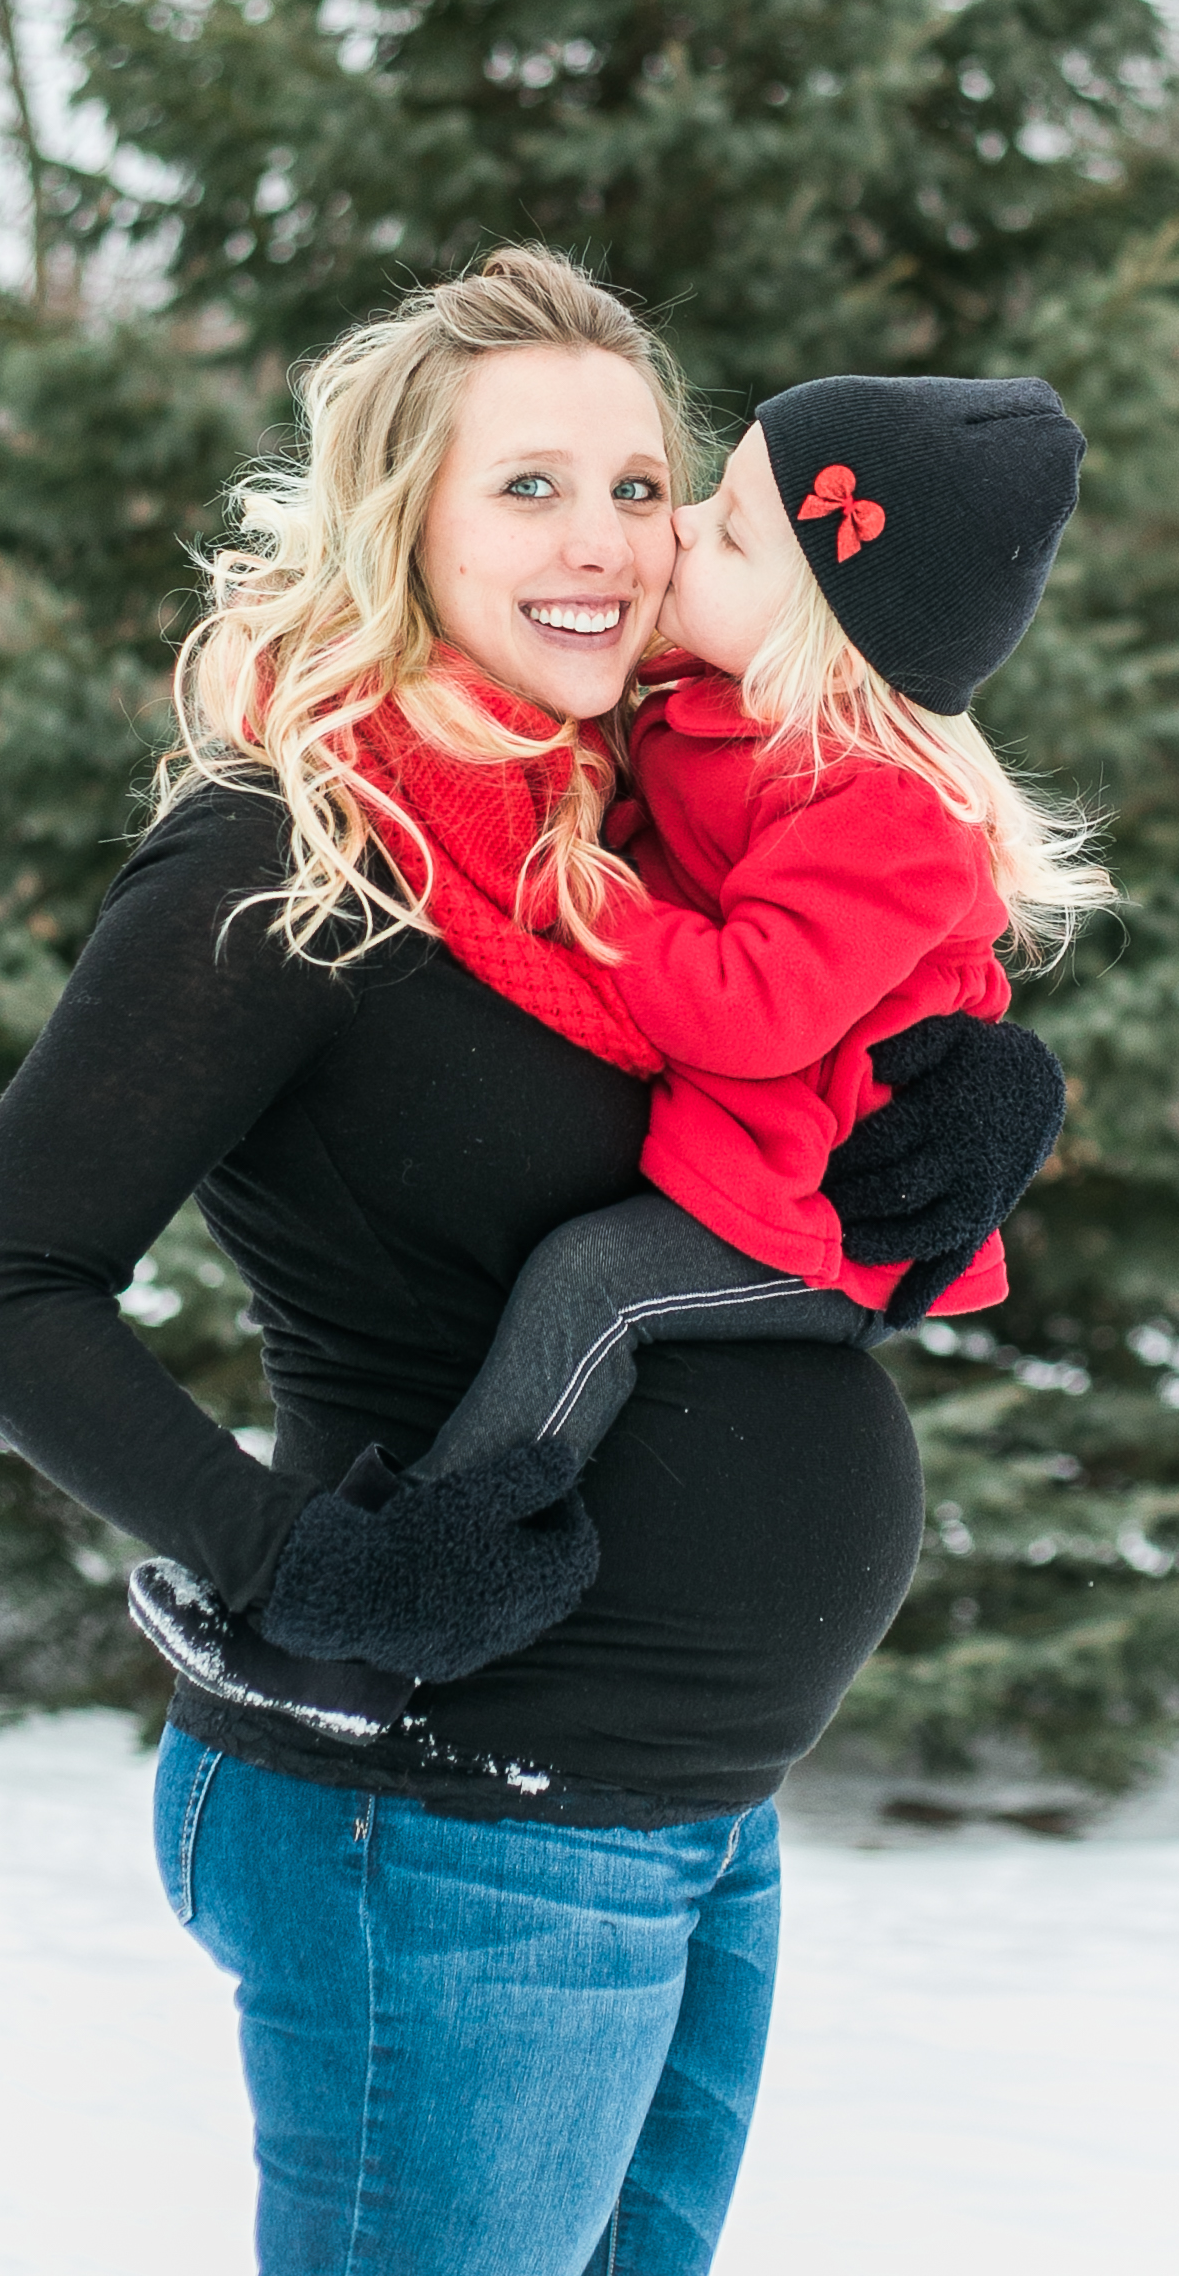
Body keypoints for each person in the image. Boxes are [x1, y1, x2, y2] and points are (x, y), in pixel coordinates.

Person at [0, 249, 1072, 2276]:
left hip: (683, 1817)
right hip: (435, 1815)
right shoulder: (291, 857)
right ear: (401, 523)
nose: (605, 542)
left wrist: (979, 1090)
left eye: (642, 482)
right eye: (524, 484)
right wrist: (291, 1564)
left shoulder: (631, 813)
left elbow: (798, 1064)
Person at [132, 369, 1101, 1722]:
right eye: (694, 492)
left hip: (824, 1211)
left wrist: (590, 900)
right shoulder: (692, 705)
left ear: (830, 629)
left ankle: (403, 1608)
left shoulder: (876, 804)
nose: (677, 531)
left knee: (603, 1284)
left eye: (729, 524)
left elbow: (758, 1005)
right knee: (600, 1276)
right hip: (758, 1180)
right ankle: (380, 1591)